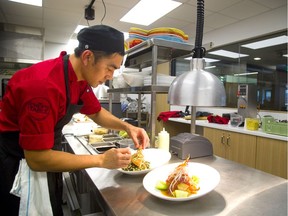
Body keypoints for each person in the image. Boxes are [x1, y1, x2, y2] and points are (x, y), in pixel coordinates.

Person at [0, 25, 150, 215]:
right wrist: (102, 159)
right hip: (18, 167)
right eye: (110, 68)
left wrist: (127, 127)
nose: (110, 76)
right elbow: (37, 159)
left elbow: (96, 113)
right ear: (88, 57)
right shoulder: (43, 86)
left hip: (47, 156)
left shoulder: (78, 80)